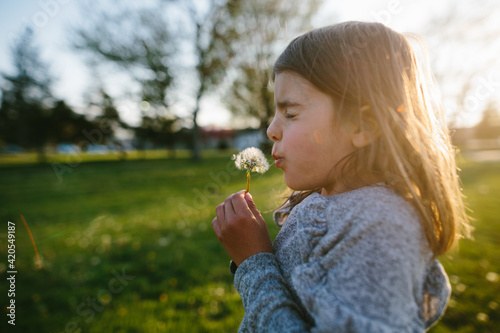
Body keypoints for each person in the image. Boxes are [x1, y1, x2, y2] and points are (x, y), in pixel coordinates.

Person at [211, 21, 470, 332]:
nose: (271, 130)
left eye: (290, 113)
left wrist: (254, 263)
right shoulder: (323, 201)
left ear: (363, 125)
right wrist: (249, 254)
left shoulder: (379, 226)